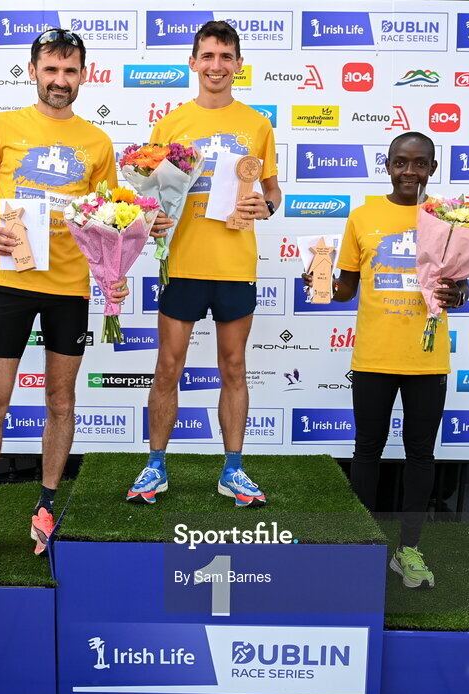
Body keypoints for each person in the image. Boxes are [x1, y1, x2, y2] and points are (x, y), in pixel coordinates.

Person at [0, 29, 119, 567]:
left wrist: (116, 263)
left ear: (84, 75)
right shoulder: (2, 127)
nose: (60, 81)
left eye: (70, 72)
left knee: (60, 403)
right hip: (11, 283)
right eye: (51, 70)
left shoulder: (98, 143)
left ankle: (45, 508)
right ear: (33, 71)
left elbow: (111, 219)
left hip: (69, 287)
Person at [126, 20, 281, 507]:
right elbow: (152, 194)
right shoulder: (171, 124)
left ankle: (232, 469)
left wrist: (268, 206)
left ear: (238, 64)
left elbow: (271, 190)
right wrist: (149, 220)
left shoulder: (257, 124)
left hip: (235, 264)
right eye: (208, 56)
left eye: (226, 56)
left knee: (234, 367)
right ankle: (155, 467)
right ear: (193, 62)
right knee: (167, 367)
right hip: (183, 262)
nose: (217, 66)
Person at [311, 132, 467, 589]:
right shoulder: (362, 217)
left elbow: (461, 285)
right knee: (367, 450)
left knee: (420, 454)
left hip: (426, 359)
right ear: (388, 165)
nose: (410, 172)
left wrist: (459, 292)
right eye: (401, 163)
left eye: (420, 164)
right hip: (374, 357)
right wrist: (318, 276)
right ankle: (363, 544)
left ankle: (409, 549)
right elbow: (344, 289)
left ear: (432, 170)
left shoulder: (448, 219)